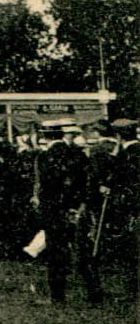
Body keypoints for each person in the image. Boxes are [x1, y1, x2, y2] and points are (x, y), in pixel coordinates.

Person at [32, 120, 104, 304]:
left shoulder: (44, 157)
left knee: (56, 254)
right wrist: (81, 205)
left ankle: (57, 296)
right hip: (77, 210)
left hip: (55, 211)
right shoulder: (78, 154)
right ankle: (94, 292)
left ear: (43, 135)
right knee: (83, 252)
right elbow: (89, 182)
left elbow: (46, 188)